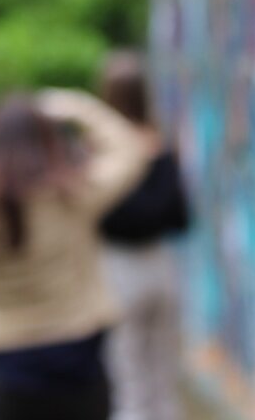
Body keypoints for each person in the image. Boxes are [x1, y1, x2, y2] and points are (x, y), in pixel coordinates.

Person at [0, 90, 154, 420]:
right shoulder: (70, 196)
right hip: (76, 350)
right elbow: (130, 150)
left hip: (9, 356)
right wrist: (74, 106)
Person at [98, 52, 190, 420]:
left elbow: (100, 215)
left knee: (127, 380)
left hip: (117, 269)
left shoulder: (102, 151)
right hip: (161, 265)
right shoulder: (161, 147)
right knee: (163, 378)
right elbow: (182, 217)